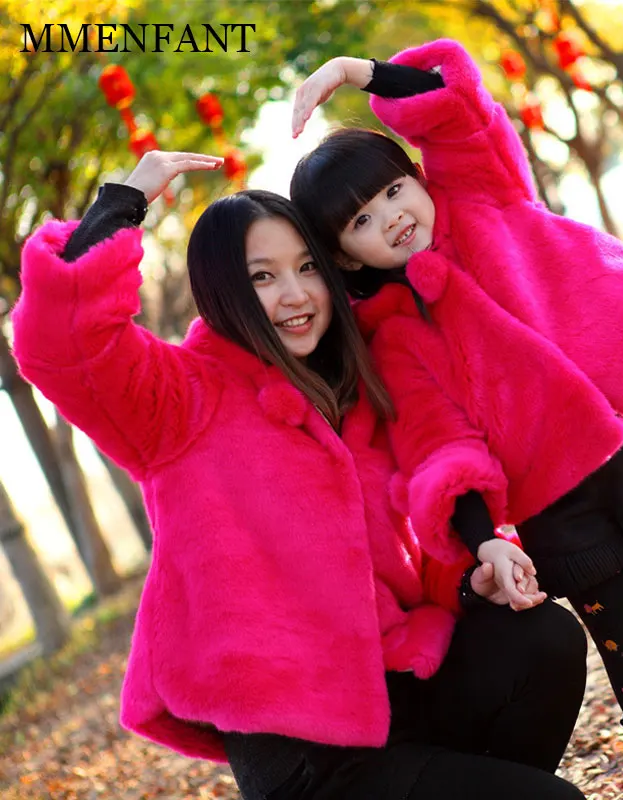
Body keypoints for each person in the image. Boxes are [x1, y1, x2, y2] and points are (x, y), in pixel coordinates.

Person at [288, 41, 623, 800]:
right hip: (553, 505)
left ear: (417, 177)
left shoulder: (480, 192)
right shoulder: (393, 335)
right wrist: (484, 537)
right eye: (362, 220)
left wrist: (357, 74)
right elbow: (439, 443)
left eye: (395, 190)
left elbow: (453, 103)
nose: (391, 218)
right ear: (347, 258)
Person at [11, 150, 590, 800]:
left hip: (403, 693)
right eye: (263, 277)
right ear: (221, 290)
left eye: (307, 267)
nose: (296, 295)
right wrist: (125, 201)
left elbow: (392, 559)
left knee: (543, 639)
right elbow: (62, 344)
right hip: (309, 759)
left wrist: (468, 580)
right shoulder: (178, 400)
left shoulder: (353, 385)